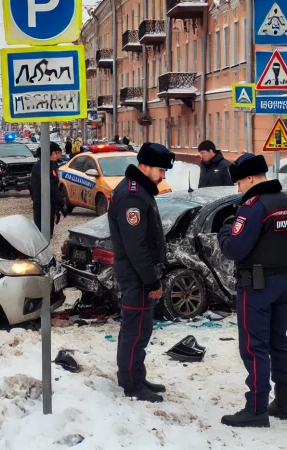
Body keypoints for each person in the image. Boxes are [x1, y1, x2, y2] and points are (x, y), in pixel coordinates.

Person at [217, 154, 287, 428]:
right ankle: (283, 401)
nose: (239, 189)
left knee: (254, 347)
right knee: (279, 342)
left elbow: (234, 249)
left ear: (250, 178)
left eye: (239, 183)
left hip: (256, 285)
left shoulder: (253, 206)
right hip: (281, 282)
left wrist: (225, 230)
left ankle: (256, 408)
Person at [108, 142, 175, 403]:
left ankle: (137, 374)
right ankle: (131, 383)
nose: (164, 175)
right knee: (134, 330)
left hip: (139, 273)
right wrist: (152, 281)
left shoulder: (139, 190)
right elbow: (136, 246)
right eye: (160, 170)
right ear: (144, 167)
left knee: (141, 329)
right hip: (136, 274)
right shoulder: (132, 196)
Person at [30, 142, 66, 238]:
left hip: (39, 203)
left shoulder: (38, 165)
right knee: (45, 234)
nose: (59, 157)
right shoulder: (48, 166)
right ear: (53, 153)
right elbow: (53, 187)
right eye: (58, 154)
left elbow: (30, 186)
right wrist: (62, 204)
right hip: (46, 204)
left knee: (40, 232)